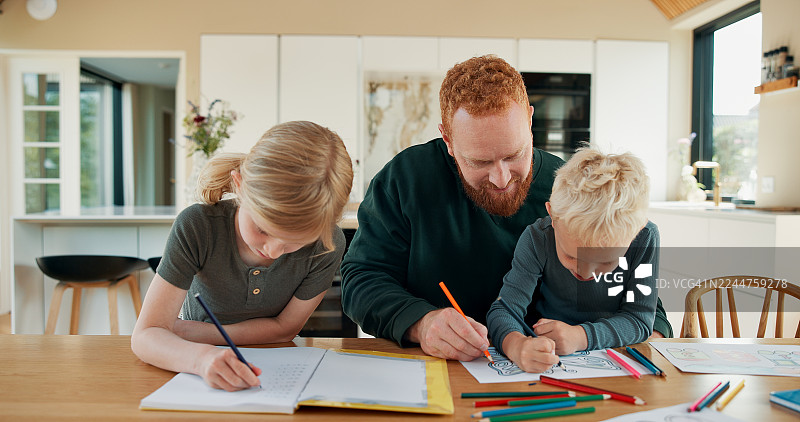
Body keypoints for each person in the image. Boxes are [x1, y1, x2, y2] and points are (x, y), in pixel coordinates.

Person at [340, 55, 672, 370]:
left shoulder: (569, 194)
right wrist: (420, 323)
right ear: (448, 139)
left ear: (529, 120)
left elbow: (646, 312)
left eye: (514, 155)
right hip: (430, 370)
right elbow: (361, 281)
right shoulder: (405, 179)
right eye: (479, 162)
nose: (501, 178)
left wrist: (623, 337)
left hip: (544, 376)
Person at [132, 121, 354, 391]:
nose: (272, 251)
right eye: (262, 229)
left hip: (278, 371)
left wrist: (192, 332)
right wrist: (201, 358)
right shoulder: (198, 226)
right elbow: (146, 335)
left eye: (295, 242)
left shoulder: (326, 244)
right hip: (193, 368)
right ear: (240, 185)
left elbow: (286, 329)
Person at [487, 148, 659, 372]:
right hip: (550, 364)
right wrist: (517, 346)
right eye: (572, 256)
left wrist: (580, 336)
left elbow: (639, 320)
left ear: (637, 231)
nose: (586, 273)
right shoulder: (538, 237)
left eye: (606, 262)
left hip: (617, 364)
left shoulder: (645, 238)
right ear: (553, 217)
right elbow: (504, 310)